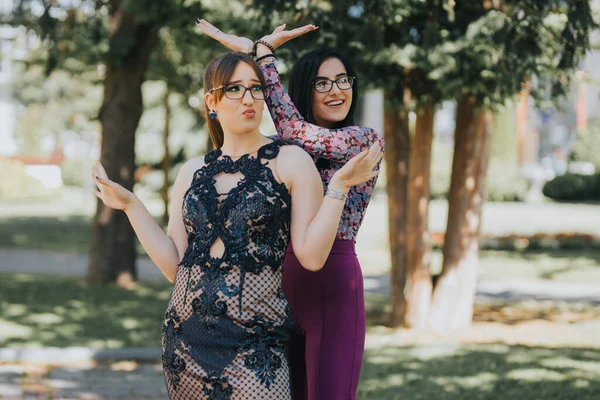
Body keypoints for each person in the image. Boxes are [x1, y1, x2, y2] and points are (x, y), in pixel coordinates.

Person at [92, 51, 382, 399]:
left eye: (256, 89)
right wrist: (130, 205)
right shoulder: (192, 171)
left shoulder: (291, 160)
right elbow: (174, 264)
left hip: (258, 346)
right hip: (185, 342)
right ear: (211, 101)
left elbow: (312, 257)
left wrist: (338, 187)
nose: (248, 98)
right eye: (235, 89)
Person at [196, 20, 385, 400]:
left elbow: (298, 134)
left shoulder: (363, 140)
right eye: (322, 83)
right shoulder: (280, 152)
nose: (337, 90)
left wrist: (263, 53)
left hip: (332, 282)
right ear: (304, 90)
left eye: (343, 80)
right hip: (277, 288)